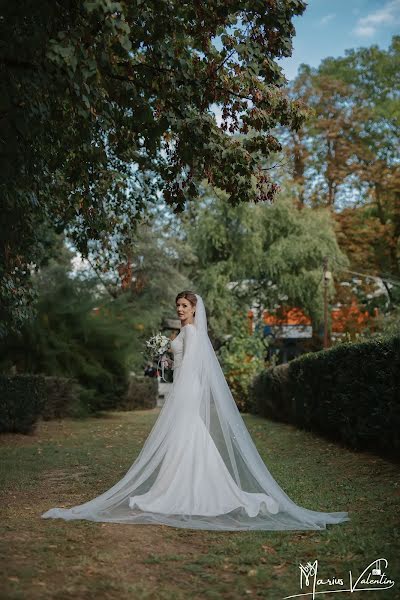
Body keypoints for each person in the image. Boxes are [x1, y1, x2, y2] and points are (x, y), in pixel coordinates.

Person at [41, 291, 350, 531]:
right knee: (188, 434)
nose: (180, 310)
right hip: (185, 386)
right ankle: (184, 483)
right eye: (177, 306)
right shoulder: (185, 333)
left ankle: (187, 488)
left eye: (184, 307)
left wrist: (177, 380)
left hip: (188, 390)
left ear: (194, 310)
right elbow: (180, 362)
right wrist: (165, 359)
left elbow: (193, 367)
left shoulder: (191, 333)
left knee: (185, 431)